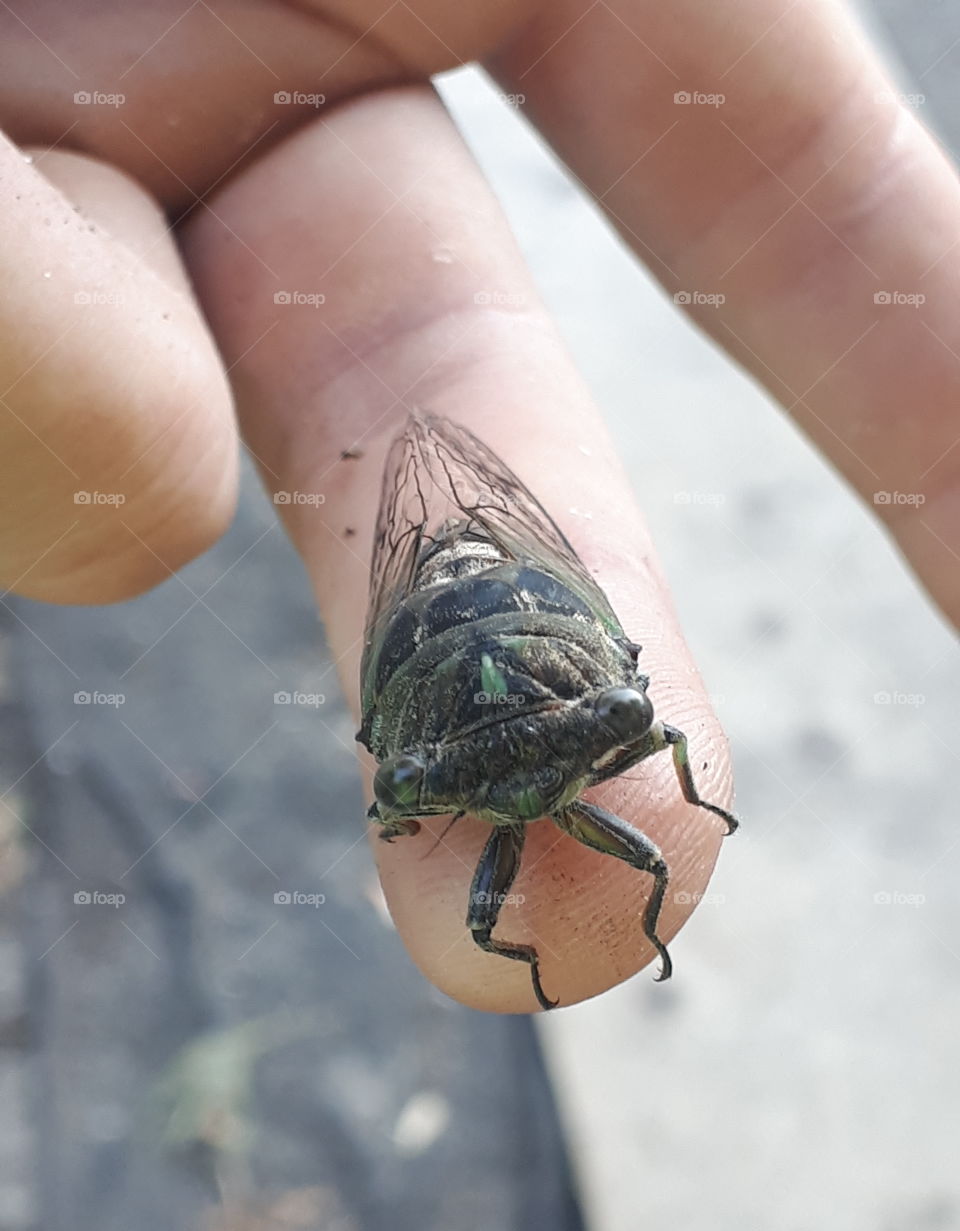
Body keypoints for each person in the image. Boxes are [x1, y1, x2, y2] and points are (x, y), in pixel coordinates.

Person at [1, 0, 955, 1010]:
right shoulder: (570, 736)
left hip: (461, 660)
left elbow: (652, 734)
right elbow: (628, 730)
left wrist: (423, 787)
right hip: (491, 639)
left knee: (578, 880)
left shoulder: (473, 765)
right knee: (533, 907)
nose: (525, 792)